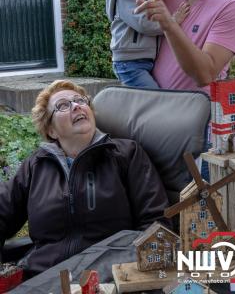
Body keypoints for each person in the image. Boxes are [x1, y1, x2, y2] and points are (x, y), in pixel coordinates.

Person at [0, 80, 170, 278]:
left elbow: (157, 227)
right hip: (43, 278)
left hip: (109, 278)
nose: (76, 105)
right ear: (51, 131)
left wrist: (124, 274)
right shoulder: (36, 165)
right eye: (63, 105)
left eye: (80, 100)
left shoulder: (126, 154)